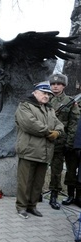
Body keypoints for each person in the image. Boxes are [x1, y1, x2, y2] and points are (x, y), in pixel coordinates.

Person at [14, 81, 64, 219]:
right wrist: (49, 133)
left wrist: (58, 132)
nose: (46, 96)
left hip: (45, 152)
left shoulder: (49, 109)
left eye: (49, 94)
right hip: (29, 151)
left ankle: (32, 206)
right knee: (25, 182)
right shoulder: (25, 106)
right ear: (35, 92)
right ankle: (21, 207)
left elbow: (59, 124)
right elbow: (30, 124)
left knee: (38, 184)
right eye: (43, 93)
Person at [47, 73, 80, 209]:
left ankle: (71, 195)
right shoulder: (46, 100)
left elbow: (74, 122)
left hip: (69, 141)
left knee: (71, 170)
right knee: (56, 169)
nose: (55, 86)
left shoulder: (70, 101)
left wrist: (70, 142)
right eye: (53, 84)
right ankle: (53, 195)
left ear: (64, 86)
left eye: (58, 84)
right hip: (55, 141)